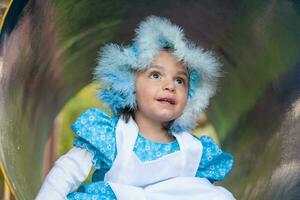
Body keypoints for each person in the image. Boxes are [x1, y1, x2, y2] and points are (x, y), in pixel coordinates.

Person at [36, 16, 235, 200]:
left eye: (180, 80)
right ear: (130, 85)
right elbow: (67, 171)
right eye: (156, 75)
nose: (170, 85)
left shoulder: (195, 150)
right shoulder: (110, 135)